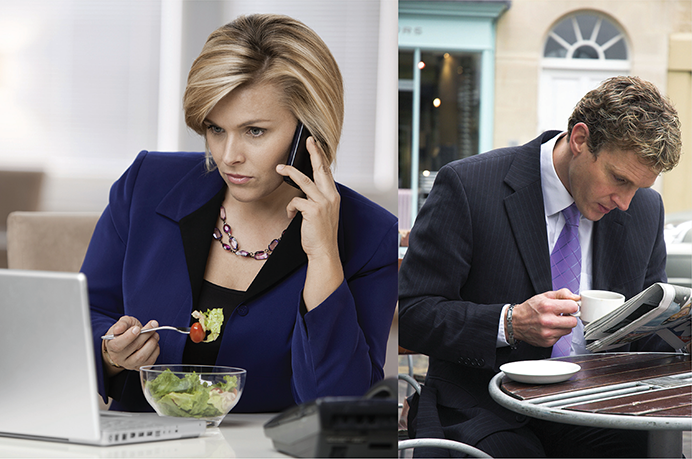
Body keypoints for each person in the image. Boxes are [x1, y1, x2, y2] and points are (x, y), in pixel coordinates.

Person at [84, 14, 398, 413]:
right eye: (216, 129)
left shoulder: (371, 236)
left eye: (255, 131)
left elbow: (338, 408)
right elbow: (84, 316)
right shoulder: (146, 184)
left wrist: (324, 258)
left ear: (309, 133)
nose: (228, 156)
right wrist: (111, 354)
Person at [398, 76, 682, 457]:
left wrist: (679, 333)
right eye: (619, 179)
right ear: (580, 139)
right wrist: (509, 323)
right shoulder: (468, 185)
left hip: (597, 408)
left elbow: (648, 326)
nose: (626, 202)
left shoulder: (645, 210)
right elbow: (414, 314)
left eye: (639, 187)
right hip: (482, 407)